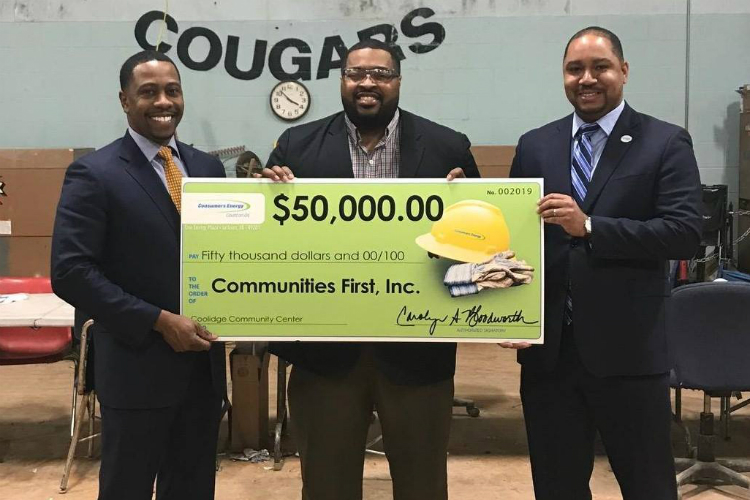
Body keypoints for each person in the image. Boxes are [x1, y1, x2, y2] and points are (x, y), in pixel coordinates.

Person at [256, 38, 480, 500]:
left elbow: (479, 243)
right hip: (325, 357)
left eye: (380, 74)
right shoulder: (296, 146)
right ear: (342, 81)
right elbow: (265, 242)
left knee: (423, 487)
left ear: (398, 81)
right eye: (356, 74)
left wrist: (465, 203)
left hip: (418, 353)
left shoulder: (446, 148)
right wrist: (265, 193)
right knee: (326, 486)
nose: (367, 83)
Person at [507, 26, 702, 500]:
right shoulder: (536, 144)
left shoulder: (664, 142)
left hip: (628, 354)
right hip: (549, 356)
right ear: (564, 77)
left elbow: (684, 233)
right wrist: (504, 308)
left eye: (600, 67)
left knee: (647, 486)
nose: (587, 78)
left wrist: (591, 227)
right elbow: (513, 236)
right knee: (557, 487)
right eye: (575, 69)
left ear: (624, 71)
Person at [51, 50, 226, 500]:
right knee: (126, 488)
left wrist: (271, 193)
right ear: (125, 100)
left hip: (202, 372)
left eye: (172, 90)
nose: (163, 101)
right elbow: (71, 272)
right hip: (136, 368)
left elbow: (232, 254)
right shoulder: (94, 173)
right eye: (148, 92)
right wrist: (158, 320)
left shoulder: (208, 170)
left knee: (192, 489)